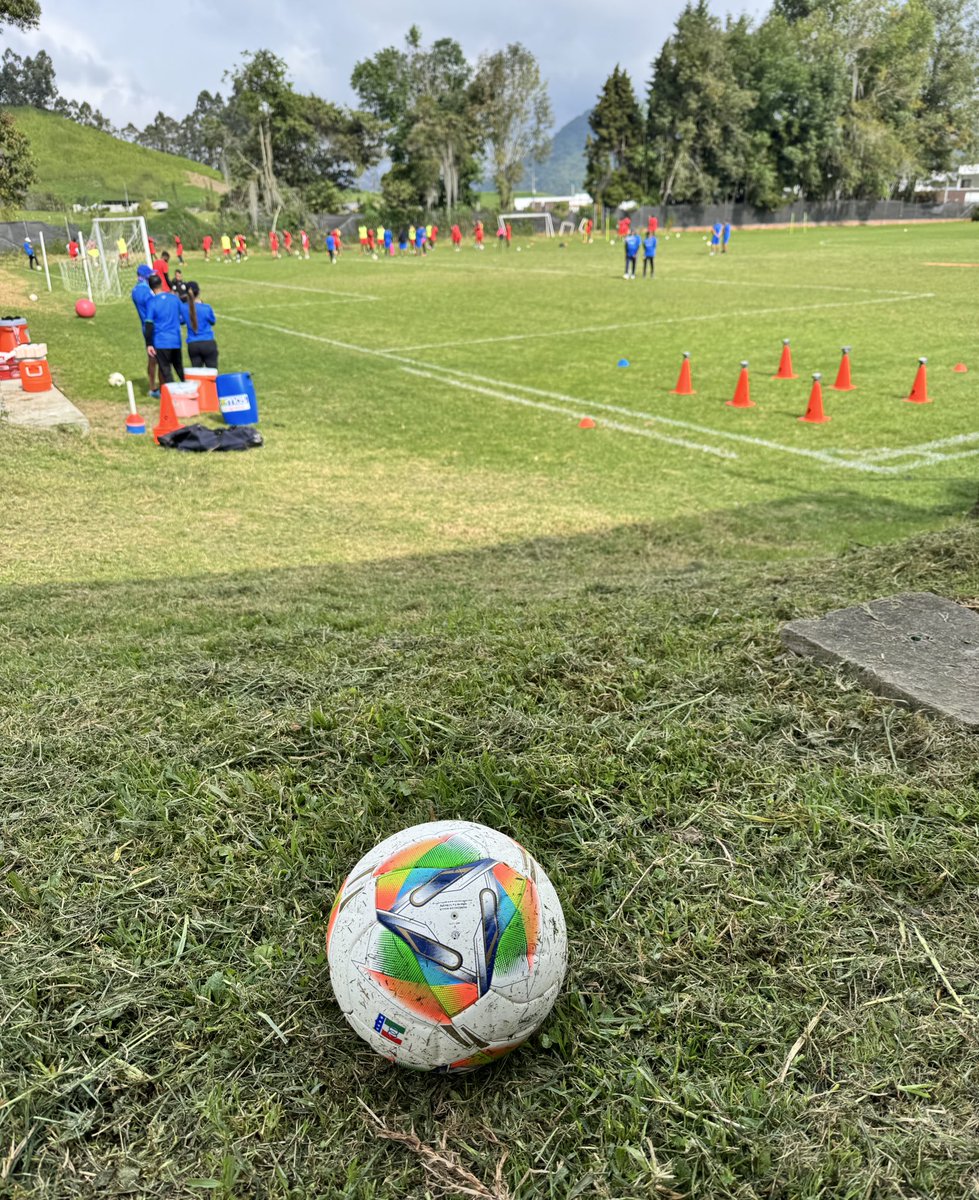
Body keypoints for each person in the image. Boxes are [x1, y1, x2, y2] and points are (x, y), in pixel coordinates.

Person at [146, 273, 185, 384]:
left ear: (151, 287)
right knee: (179, 369)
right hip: (175, 340)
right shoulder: (174, 298)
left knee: (166, 371)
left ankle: (173, 397)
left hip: (161, 341)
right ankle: (190, 392)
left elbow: (149, 324)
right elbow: (183, 316)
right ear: (161, 283)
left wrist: (149, 343)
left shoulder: (152, 302)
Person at [131, 263, 159, 397]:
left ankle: (152, 385)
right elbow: (154, 308)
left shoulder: (135, 290)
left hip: (146, 327)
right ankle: (156, 388)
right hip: (153, 327)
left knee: (152, 358)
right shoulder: (146, 292)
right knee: (158, 358)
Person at [183, 281, 218, 369]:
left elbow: (181, 321)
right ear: (198, 292)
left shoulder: (184, 308)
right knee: (212, 374)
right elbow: (213, 321)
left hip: (193, 344)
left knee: (197, 376)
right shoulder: (206, 307)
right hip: (208, 342)